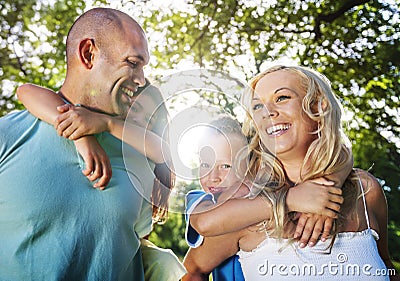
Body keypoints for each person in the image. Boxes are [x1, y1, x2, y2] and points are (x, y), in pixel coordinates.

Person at [183, 65, 398, 280]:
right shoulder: (243, 205)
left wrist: (328, 185)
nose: (268, 112)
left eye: (282, 97)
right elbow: (191, 271)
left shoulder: (365, 189)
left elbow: (387, 265)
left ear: (318, 107)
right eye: (258, 106)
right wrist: (287, 200)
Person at [0, 7, 152, 280]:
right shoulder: (7, 136)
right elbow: (24, 89)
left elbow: (140, 245)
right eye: (132, 63)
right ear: (89, 54)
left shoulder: (140, 158)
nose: (141, 79)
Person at [16, 79, 186, 281]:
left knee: (164, 263)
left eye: (149, 118)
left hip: (124, 246)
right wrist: (81, 137)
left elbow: (164, 152)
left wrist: (109, 124)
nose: (140, 119)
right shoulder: (88, 120)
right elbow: (26, 90)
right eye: (135, 107)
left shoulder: (142, 152)